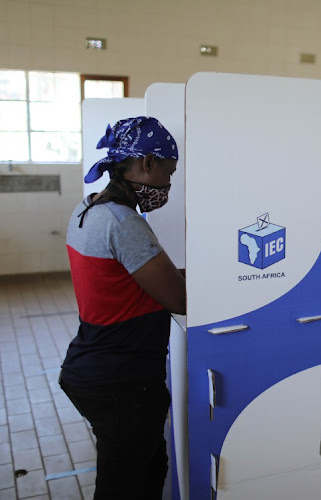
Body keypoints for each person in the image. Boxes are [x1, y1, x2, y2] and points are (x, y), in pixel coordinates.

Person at [59, 117, 186, 499]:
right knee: (124, 486)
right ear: (148, 163)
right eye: (169, 171)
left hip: (94, 365)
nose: (167, 184)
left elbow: (129, 274)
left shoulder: (88, 208)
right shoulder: (123, 221)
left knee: (149, 467)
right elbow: (179, 299)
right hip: (122, 382)